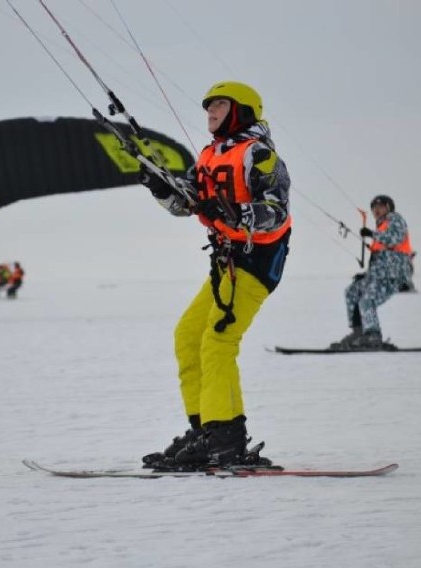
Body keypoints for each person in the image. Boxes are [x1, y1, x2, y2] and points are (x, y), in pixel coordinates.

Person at [138, 81, 292, 469]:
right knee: (188, 336)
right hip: (227, 265)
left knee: (219, 342)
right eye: (208, 106)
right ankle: (204, 431)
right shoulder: (209, 155)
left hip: (257, 262)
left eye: (220, 105)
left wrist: (237, 214)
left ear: (242, 109)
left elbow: (277, 208)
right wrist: (160, 187)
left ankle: (224, 439)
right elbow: (187, 202)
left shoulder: (259, 155)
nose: (210, 111)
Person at [330, 195, 412, 350]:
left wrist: (371, 234)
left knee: (367, 300)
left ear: (388, 207)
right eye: (373, 207)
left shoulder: (395, 219)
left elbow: (394, 239)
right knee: (352, 292)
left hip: (393, 275)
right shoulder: (382, 226)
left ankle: (373, 335)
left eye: (379, 206)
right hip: (378, 274)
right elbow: (381, 256)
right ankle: (359, 332)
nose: (376, 210)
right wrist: (367, 274)